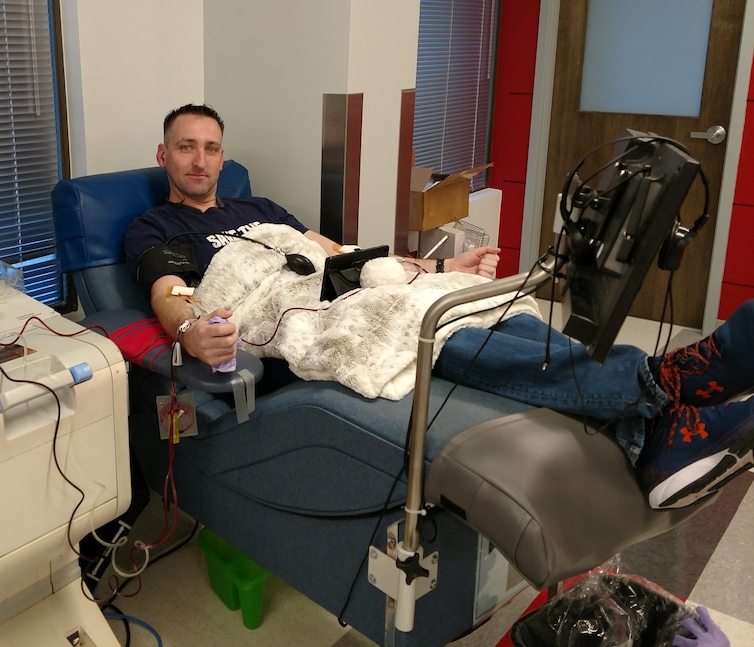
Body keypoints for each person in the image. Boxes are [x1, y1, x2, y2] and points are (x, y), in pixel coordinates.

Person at [124, 103, 754, 510]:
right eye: (186, 147)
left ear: (224, 157)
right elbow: (170, 295)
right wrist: (189, 333)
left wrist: (431, 268)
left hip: (330, 286)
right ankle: (668, 383)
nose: (200, 160)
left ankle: (654, 425)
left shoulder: (261, 210)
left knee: (463, 299)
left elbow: (339, 253)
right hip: (280, 311)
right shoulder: (154, 227)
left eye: (210, 147)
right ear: (164, 156)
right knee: (419, 325)